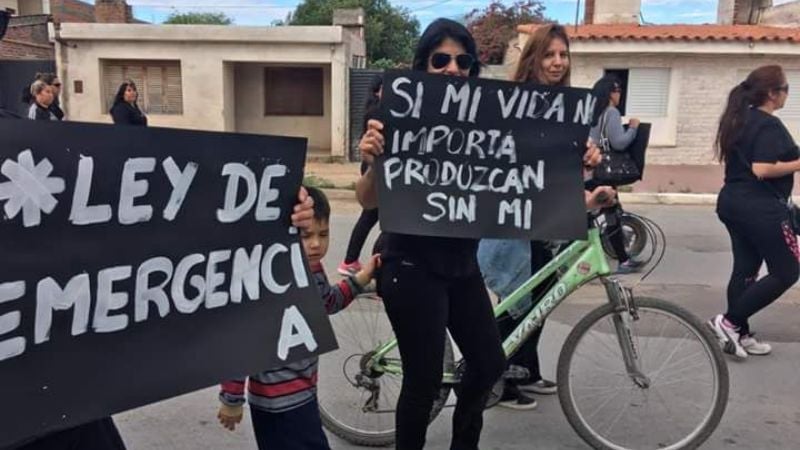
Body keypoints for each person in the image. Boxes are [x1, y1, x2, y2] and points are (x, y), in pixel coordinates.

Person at [356, 19, 508, 450]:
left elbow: (525, 191)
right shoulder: (394, 120)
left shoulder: (489, 125)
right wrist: (375, 159)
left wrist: (584, 178)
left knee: (488, 362)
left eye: (463, 61)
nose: (453, 68)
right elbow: (367, 200)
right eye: (441, 59)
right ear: (423, 65)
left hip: (461, 266)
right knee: (422, 384)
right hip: (409, 265)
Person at [478, 23, 612, 410]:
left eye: (563, 54)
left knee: (541, 298)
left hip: (546, 221)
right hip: (513, 220)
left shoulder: (567, 107)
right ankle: (497, 379)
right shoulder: (512, 103)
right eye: (549, 54)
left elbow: (556, 166)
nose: (557, 62)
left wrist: (587, 156)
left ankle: (525, 368)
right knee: (518, 299)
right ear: (533, 58)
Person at [217, 186, 379, 450]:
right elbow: (243, 337)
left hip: (303, 392)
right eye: (305, 236)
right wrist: (231, 398)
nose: (316, 244)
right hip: (275, 399)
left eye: (323, 234)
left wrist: (362, 277)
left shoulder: (312, 269)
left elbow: (327, 301)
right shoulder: (267, 277)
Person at [708, 64, 799, 359]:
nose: (788, 94)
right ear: (772, 94)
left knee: (746, 269)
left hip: (734, 203)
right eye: (785, 89)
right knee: (788, 270)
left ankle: (740, 333)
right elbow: (762, 168)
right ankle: (729, 322)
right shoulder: (767, 123)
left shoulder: (741, 120)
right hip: (759, 208)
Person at [589, 75, 643, 274]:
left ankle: (621, 257)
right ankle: (623, 260)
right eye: (618, 90)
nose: (620, 94)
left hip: (590, 168)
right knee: (611, 214)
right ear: (611, 93)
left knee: (595, 213)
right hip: (606, 171)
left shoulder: (591, 112)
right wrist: (633, 128)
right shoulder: (611, 112)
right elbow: (619, 142)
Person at [338, 75, 383, 275]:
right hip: (374, 169)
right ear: (377, 90)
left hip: (374, 168)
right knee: (378, 221)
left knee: (371, 219)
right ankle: (367, 270)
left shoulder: (377, 109)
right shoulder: (378, 112)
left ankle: (351, 262)